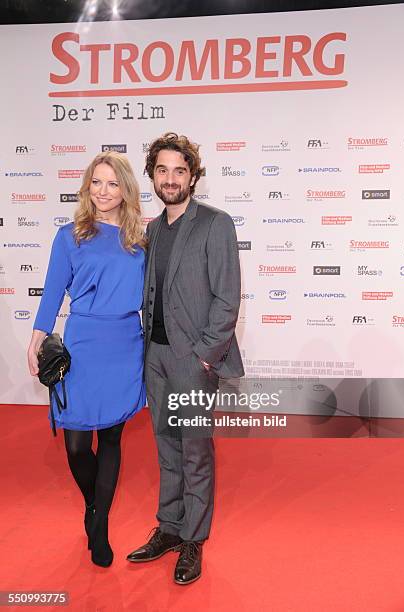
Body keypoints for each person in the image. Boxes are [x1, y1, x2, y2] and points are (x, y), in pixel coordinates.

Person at [126, 133, 244, 584]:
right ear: (152, 176)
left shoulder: (216, 224)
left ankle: (193, 539)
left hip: (192, 360)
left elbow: (227, 298)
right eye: (162, 170)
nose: (170, 179)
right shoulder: (151, 230)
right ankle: (170, 527)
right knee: (165, 446)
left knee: (194, 450)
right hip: (154, 356)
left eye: (179, 170)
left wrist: (204, 358)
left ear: (193, 176)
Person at [27, 151, 146, 568]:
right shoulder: (70, 235)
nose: (103, 191)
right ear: (87, 186)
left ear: (126, 189)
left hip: (126, 342)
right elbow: (52, 290)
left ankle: (99, 526)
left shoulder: (140, 240)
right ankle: (93, 505)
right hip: (83, 342)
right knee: (77, 443)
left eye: (112, 183)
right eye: (96, 182)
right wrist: (37, 338)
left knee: (111, 438)